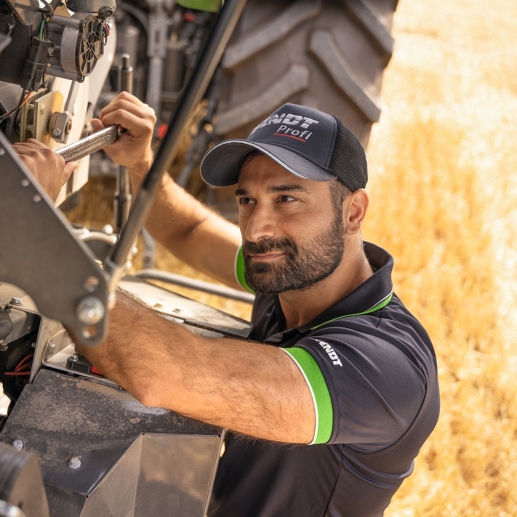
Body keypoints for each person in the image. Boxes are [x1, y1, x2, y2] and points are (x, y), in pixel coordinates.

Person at [18, 93, 440, 517]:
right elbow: (191, 230)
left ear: (353, 212)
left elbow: (167, 374)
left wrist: (35, 228)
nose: (256, 229)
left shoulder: (386, 367)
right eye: (246, 200)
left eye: (286, 199)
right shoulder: (289, 275)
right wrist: (140, 163)